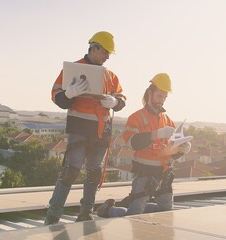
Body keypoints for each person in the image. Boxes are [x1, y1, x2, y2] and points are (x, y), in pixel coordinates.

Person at [44, 31, 126, 225]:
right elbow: (57, 97)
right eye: (106, 52)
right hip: (79, 130)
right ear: (94, 48)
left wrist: (114, 101)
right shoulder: (73, 69)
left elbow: (122, 100)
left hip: (101, 132)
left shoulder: (110, 76)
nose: (107, 57)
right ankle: (53, 214)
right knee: (70, 171)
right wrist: (69, 93)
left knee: (93, 173)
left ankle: (86, 212)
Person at [96, 73, 191, 218]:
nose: (162, 101)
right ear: (150, 93)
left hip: (163, 174)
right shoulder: (136, 118)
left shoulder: (167, 120)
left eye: (165, 98)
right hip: (144, 174)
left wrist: (182, 149)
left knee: (166, 213)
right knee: (134, 215)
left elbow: (169, 152)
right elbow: (133, 143)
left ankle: (146, 206)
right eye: (159, 96)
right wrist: (157, 134)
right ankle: (108, 210)